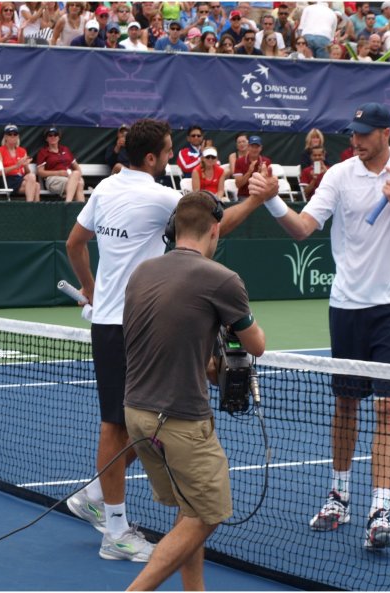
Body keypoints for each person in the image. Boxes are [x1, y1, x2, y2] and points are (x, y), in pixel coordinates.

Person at [64, 118, 268, 563]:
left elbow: (75, 243)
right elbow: (211, 226)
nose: (173, 156)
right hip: (137, 322)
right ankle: (114, 531)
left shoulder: (106, 188)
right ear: (152, 157)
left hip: (113, 321)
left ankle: (96, 495)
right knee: (119, 423)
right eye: (169, 150)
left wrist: (94, 290)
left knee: (138, 421)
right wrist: (256, 198)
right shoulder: (161, 198)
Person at [250, 101, 390, 550]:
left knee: (386, 407)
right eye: (353, 134)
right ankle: (339, 495)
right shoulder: (339, 176)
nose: (356, 141)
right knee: (345, 404)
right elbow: (303, 228)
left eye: (363, 134)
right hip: (347, 306)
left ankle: (380, 509)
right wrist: (272, 200)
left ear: (385, 133)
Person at [121, 192, 266, 591]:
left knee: (188, 511)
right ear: (215, 230)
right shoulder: (222, 279)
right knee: (207, 516)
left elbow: (158, 341)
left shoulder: (141, 272)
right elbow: (256, 345)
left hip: (137, 416)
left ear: (173, 231)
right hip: (180, 421)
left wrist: (207, 361)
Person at [36, 127, 85, 203]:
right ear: (46, 139)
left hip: (70, 177)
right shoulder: (43, 152)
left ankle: (69, 203)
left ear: (59, 137)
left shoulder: (65, 149)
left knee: (77, 177)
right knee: (78, 184)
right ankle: (72, 205)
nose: (53, 137)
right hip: (53, 179)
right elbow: (40, 172)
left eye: (55, 135)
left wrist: (76, 177)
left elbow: (77, 167)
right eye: (50, 135)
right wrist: (59, 173)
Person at [0, 124, 39, 202]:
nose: (12, 136)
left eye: (15, 134)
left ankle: (31, 206)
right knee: (36, 185)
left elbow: (27, 173)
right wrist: (16, 166)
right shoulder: (0, 151)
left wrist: (25, 166)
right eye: (10, 134)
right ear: (5, 137)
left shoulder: (22, 151)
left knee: (35, 183)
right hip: (7, 179)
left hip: (20, 179)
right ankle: (34, 209)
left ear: (18, 137)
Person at [232, 135, 271, 200]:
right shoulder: (239, 161)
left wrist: (263, 173)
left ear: (261, 148)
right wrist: (249, 172)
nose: (254, 149)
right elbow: (238, 184)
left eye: (257, 147)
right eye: (252, 146)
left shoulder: (266, 161)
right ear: (248, 147)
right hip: (244, 196)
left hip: (261, 195)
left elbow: (269, 184)